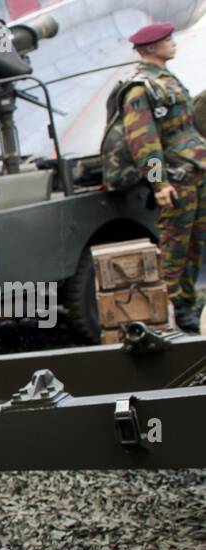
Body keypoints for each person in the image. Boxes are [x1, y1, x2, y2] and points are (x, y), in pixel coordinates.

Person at [120, 22, 206, 333]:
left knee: (196, 242)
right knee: (176, 246)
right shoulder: (140, 89)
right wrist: (160, 184)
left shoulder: (166, 80)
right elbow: (144, 142)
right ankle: (174, 308)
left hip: (195, 171)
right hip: (177, 179)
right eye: (165, 40)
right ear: (150, 48)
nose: (172, 43)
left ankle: (187, 302)